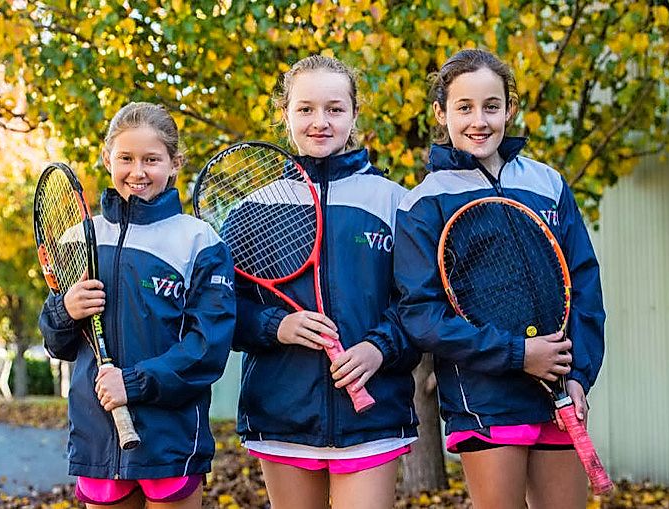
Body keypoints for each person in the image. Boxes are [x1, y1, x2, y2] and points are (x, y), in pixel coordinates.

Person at [394, 49, 606, 509]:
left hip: (557, 391)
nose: (479, 121)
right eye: (464, 107)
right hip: (484, 399)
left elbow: (585, 285)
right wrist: (518, 355)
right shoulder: (424, 203)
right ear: (440, 113)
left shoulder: (548, 184)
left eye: (492, 106)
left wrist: (579, 378)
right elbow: (422, 317)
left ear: (509, 108)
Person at [232, 55, 420, 509]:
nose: (320, 122)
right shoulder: (251, 210)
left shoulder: (395, 202)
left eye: (334, 109)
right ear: (285, 114)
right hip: (282, 416)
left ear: (355, 115)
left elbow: (419, 305)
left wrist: (379, 348)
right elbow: (223, 312)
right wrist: (276, 326)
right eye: (305, 109)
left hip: (373, 417)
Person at [39, 102, 236, 509]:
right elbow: (58, 343)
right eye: (126, 158)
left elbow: (207, 350)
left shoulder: (199, 241)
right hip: (98, 437)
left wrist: (133, 383)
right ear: (107, 157)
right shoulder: (80, 236)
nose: (138, 171)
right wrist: (65, 311)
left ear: (174, 163)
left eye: (152, 159)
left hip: (170, 439)